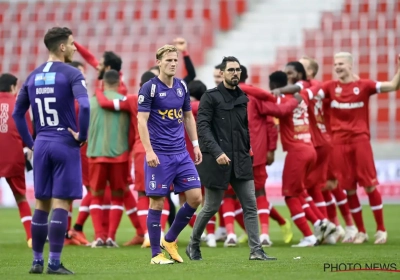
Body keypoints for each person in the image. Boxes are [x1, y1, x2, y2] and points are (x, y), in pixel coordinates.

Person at [12, 27, 90, 275]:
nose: (76, 47)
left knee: (40, 204)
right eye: (73, 43)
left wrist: (31, 143)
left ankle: (36, 261)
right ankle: (54, 263)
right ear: (63, 47)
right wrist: (82, 136)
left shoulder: (32, 76)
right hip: (64, 141)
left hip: (42, 143)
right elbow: (85, 107)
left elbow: (17, 114)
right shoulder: (71, 73)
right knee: (61, 203)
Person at [186, 56, 277, 261]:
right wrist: (217, 153)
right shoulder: (210, 97)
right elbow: (203, 129)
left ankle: (256, 251)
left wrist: (248, 148)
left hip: (241, 160)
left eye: (237, 70)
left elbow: (243, 129)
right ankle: (193, 244)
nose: (234, 73)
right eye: (230, 70)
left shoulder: (243, 97)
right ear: (222, 73)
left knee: (250, 205)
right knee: (211, 206)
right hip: (217, 160)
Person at [318, 52, 400, 244]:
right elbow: (311, 94)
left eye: (340, 64)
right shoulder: (330, 87)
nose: (337, 67)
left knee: (370, 185)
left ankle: (381, 230)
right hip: (338, 143)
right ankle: (361, 231)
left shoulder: (364, 86)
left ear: (350, 65)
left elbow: (393, 86)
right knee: (349, 189)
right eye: (335, 64)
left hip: (359, 141)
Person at [137, 45, 202, 264]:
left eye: (175, 60)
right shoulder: (149, 88)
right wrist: (148, 151)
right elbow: (142, 121)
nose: (173, 63)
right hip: (160, 155)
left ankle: (170, 239)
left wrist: (195, 145)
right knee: (157, 204)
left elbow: (188, 117)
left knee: (195, 198)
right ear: (159, 62)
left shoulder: (182, 86)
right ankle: (156, 254)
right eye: (168, 60)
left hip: (181, 154)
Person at [239, 65, 293, 246]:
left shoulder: (255, 97)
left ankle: (264, 234)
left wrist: (271, 149)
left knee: (257, 192)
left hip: (255, 153)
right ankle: (269, 226)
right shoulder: (219, 97)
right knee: (236, 196)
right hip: (232, 154)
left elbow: (271, 122)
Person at [87, 70, 131, 248]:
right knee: (117, 197)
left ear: (103, 83)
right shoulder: (124, 102)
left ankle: (99, 237)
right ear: (119, 82)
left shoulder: (91, 103)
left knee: (96, 196)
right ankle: (111, 237)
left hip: (96, 155)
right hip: (120, 156)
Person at [0, 73, 33, 248]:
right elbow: (28, 133)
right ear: (13, 87)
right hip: (13, 157)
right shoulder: (19, 106)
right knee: (21, 198)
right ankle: (31, 237)